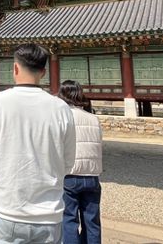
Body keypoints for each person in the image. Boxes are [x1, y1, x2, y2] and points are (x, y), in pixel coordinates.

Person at [0, 43, 76, 244]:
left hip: (5, 210)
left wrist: (0, 176)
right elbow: (68, 161)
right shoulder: (62, 109)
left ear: (15, 68)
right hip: (49, 215)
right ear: (43, 72)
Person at [59, 80, 103, 244]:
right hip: (92, 175)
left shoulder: (63, 117)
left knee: (69, 219)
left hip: (70, 174)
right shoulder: (93, 118)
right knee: (92, 221)